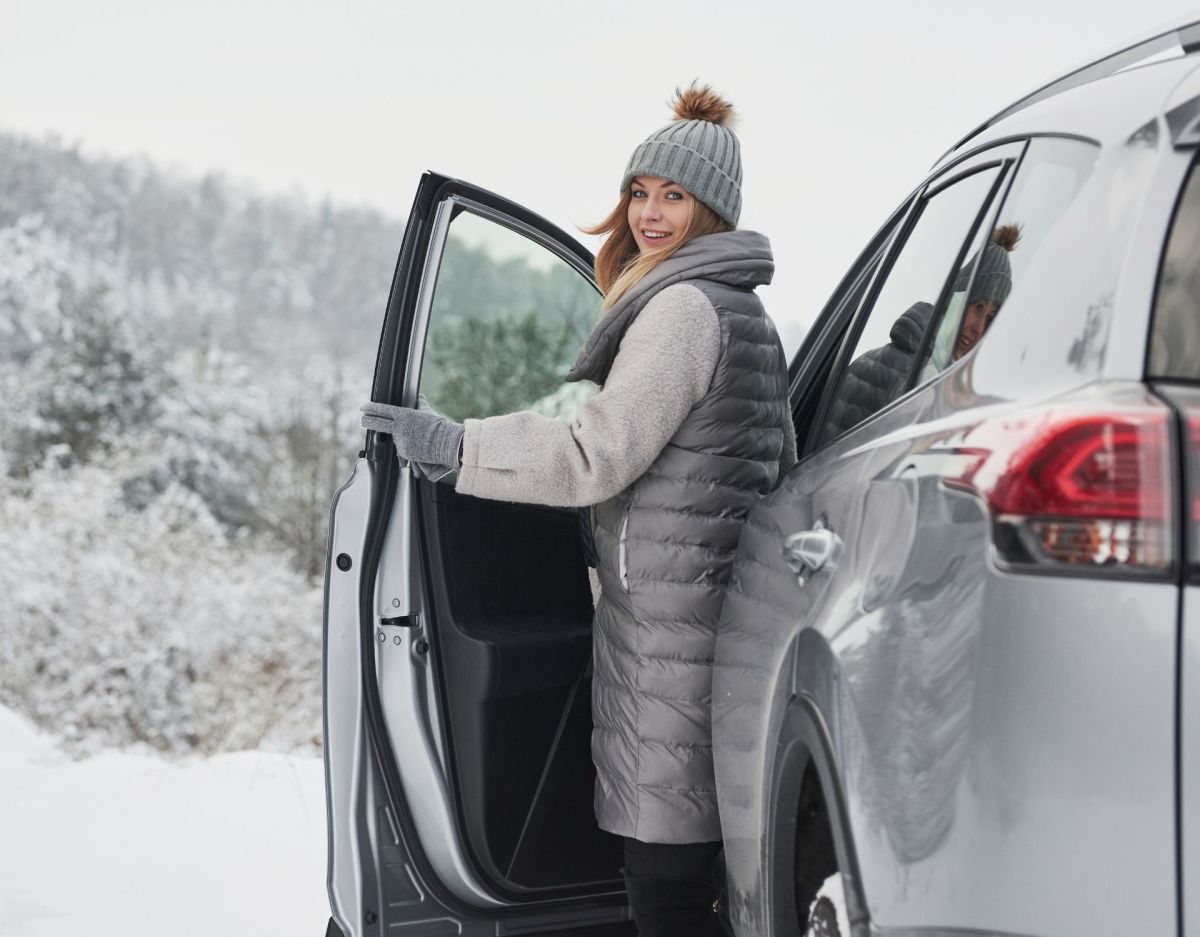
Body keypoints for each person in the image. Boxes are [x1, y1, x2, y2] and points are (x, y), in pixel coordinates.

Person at [360, 83, 796, 936]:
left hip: (669, 638)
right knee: (699, 879)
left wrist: (459, 447)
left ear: (713, 210)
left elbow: (597, 452)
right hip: (712, 621)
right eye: (640, 192)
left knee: (666, 888)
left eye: (675, 196)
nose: (650, 215)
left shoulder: (680, 310)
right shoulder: (746, 312)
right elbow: (765, 464)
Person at [822, 223, 1021, 440]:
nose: (979, 328)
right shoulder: (918, 381)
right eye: (978, 307)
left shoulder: (953, 388)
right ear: (954, 299)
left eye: (991, 318)